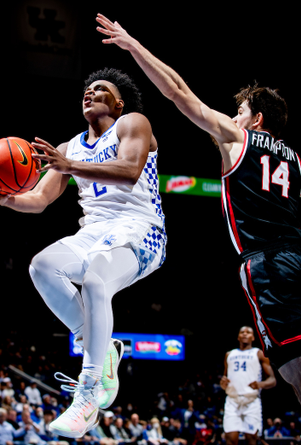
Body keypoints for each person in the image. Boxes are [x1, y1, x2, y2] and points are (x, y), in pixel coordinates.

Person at [96, 14, 301, 404]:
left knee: (294, 369)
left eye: (239, 110)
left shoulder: (239, 138)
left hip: (269, 266)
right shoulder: (295, 159)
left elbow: (176, 91)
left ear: (255, 119)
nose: (233, 116)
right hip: (297, 255)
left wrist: (132, 45)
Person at [0, 67, 166, 439]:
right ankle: (101, 346)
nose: (90, 92)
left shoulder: (133, 123)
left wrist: (70, 166)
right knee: (42, 266)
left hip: (141, 229)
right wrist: (8, 200)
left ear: (118, 103)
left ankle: (89, 393)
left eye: (101, 90)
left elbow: (130, 170)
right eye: (87, 89)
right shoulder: (70, 146)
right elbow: (39, 200)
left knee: (97, 276)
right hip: (95, 232)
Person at [220, 326, 276, 445]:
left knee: (251, 442)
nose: (245, 334)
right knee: (230, 441)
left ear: (253, 337)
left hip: (251, 401)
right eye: (242, 332)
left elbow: (272, 380)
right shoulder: (229, 355)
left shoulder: (259, 354)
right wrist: (223, 383)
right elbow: (225, 379)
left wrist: (259, 385)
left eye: (249, 332)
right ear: (238, 336)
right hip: (233, 400)